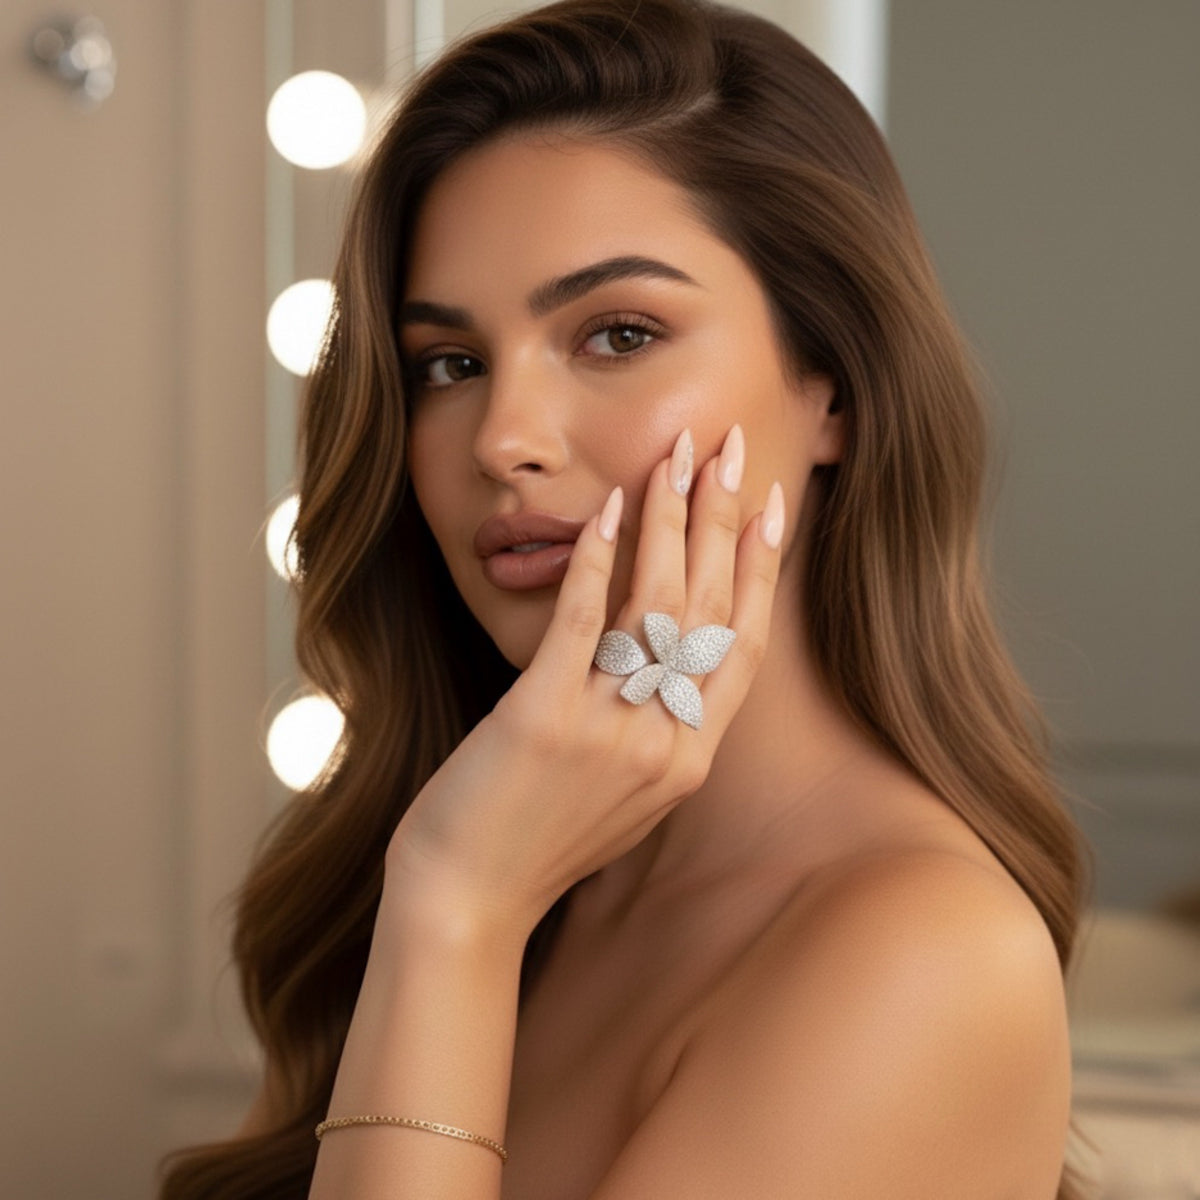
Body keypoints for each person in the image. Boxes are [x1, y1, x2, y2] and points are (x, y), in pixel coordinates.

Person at [160, 0, 1088, 1196]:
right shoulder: (458, 841)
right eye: (450, 362)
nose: (502, 439)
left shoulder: (924, 951)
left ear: (834, 391)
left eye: (618, 333)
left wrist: (457, 908)